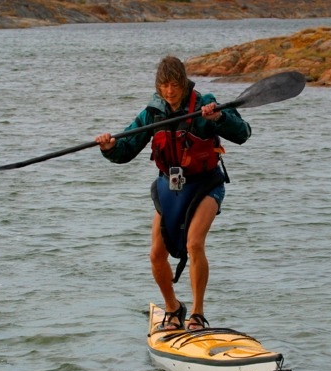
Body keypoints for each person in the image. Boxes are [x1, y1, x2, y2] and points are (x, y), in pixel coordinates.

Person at [95, 56, 251, 330]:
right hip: (170, 186)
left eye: (175, 84)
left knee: (194, 244)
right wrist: (108, 148)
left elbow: (242, 133)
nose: (170, 91)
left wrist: (219, 117)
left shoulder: (205, 104)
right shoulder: (152, 113)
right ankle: (173, 308)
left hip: (205, 184)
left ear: (184, 83)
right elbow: (126, 149)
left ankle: (198, 315)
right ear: (158, 86)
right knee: (156, 254)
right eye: (164, 85)